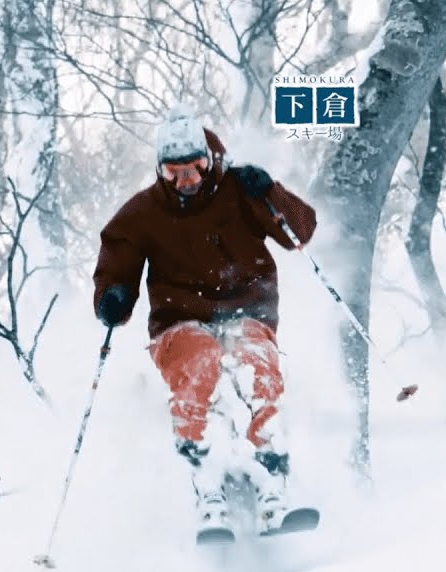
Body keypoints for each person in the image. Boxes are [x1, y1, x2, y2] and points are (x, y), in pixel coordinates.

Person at [91, 109, 317, 534]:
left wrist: (271, 192)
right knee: (202, 360)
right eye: (174, 173)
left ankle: (273, 478)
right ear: (160, 170)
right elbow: (117, 256)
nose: (186, 182)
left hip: (248, 310)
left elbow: (299, 233)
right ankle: (206, 479)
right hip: (179, 322)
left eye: (194, 170)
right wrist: (113, 297)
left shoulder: (240, 191)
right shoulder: (145, 211)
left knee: (255, 364)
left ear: (209, 160)